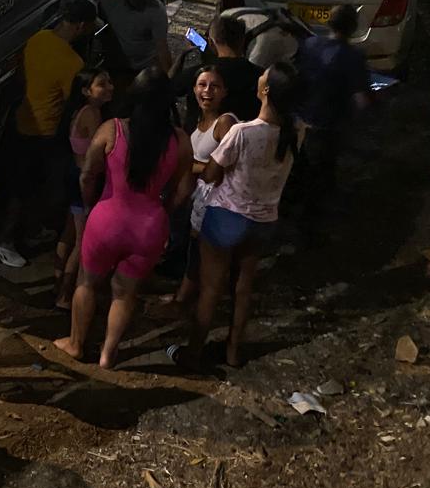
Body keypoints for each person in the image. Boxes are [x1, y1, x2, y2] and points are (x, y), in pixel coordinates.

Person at [53, 71, 192, 368]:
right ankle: (108, 354)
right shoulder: (179, 140)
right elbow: (183, 188)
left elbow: (88, 174)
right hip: (149, 226)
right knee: (125, 293)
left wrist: (91, 204)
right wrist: (163, 212)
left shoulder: (111, 130)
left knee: (87, 283)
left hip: (107, 219)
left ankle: (76, 344)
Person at [181, 62, 303, 370]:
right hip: (263, 220)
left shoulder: (242, 131)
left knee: (211, 287)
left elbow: (210, 174)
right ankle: (233, 352)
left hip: (226, 217)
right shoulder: (296, 131)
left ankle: (193, 352)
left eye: (264, 76)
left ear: (265, 91)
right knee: (243, 287)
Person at [0, 0, 98, 267]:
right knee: (26, 189)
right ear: (82, 26)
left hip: (19, 123)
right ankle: (3, 242)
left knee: (19, 185)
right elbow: (71, 103)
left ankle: (29, 231)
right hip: (43, 134)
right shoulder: (73, 63)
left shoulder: (37, 38)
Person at [294, 5, 370, 239]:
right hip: (327, 128)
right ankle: (309, 232)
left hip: (300, 122)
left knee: (301, 171)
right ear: (353, 28)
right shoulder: (353, 57)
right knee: (320, 178)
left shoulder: (309, 45)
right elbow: (361, 100)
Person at [172, 67, 237, 315]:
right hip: (196, 199)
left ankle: (185, 302)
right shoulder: (197, 121)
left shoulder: (225, 122)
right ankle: (185, 296)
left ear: (224, 92)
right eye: (202, 85)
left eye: (214, 86)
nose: (207, 91)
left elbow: (224, 166)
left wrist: (190, 165)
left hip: (214, 201)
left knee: (202, 253)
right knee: (193, 250)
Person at [53, 69, 114, 310]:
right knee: (82, 240)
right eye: (102, 84)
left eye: (108, 81)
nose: (109, 86)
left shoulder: (80, 111)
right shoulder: (92, 114)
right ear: (86, 91)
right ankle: (65, 296)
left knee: (69, 231)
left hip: (73, 173)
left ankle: (57, 283)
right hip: (82, 180)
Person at [99, 0, 172, 91]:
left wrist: (168, 79)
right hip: (120, 64)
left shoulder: (156, 11)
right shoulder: (110, 3)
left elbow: (162, 48)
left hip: (146, 65)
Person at [206, 14, 262, 121]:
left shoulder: (199, 74)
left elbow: (170, 86)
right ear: (243, 41)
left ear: (211, 43)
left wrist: (183, 55)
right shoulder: (261, 76)